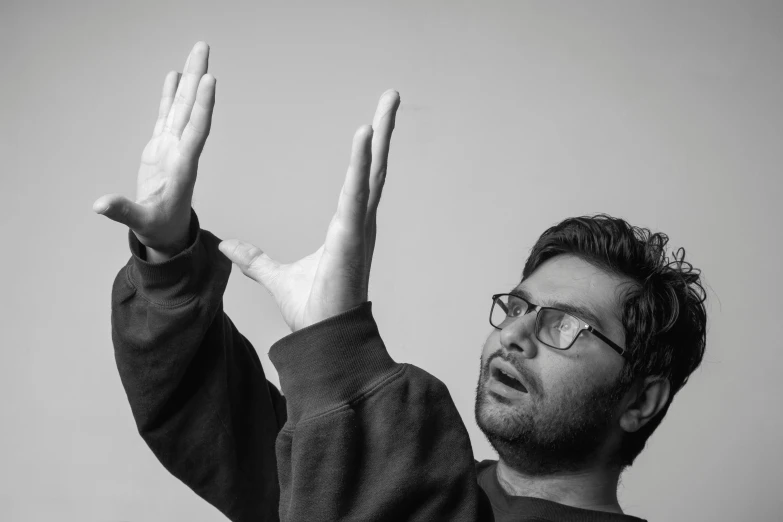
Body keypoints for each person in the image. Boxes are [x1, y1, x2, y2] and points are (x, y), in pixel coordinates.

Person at [94, 42, 707, 522]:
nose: (516, 334)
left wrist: (335, 347)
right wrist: (168, 258)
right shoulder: (385, 472)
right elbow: (207, 417)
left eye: (565, 325)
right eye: (518, 306)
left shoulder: (378, 476)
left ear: (641, 400)